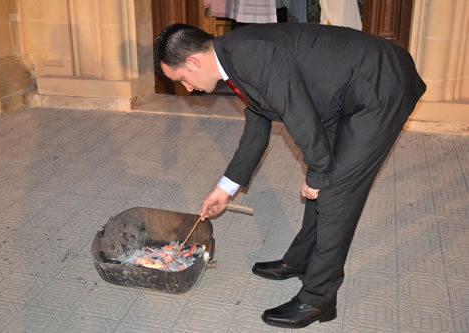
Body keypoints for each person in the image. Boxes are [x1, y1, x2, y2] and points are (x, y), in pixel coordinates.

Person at [154, 23, 425, 329]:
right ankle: (301, 260)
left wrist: (319, 173)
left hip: (381, 85)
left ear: (193, 62)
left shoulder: (250, 55)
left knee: (335, 192)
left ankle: (318, 299)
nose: (187, 89)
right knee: (322, 180)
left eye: (182, 80)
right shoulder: (232, 58)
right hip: (342, 90)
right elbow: (257, 127)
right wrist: (223, 190)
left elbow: (299, 114)